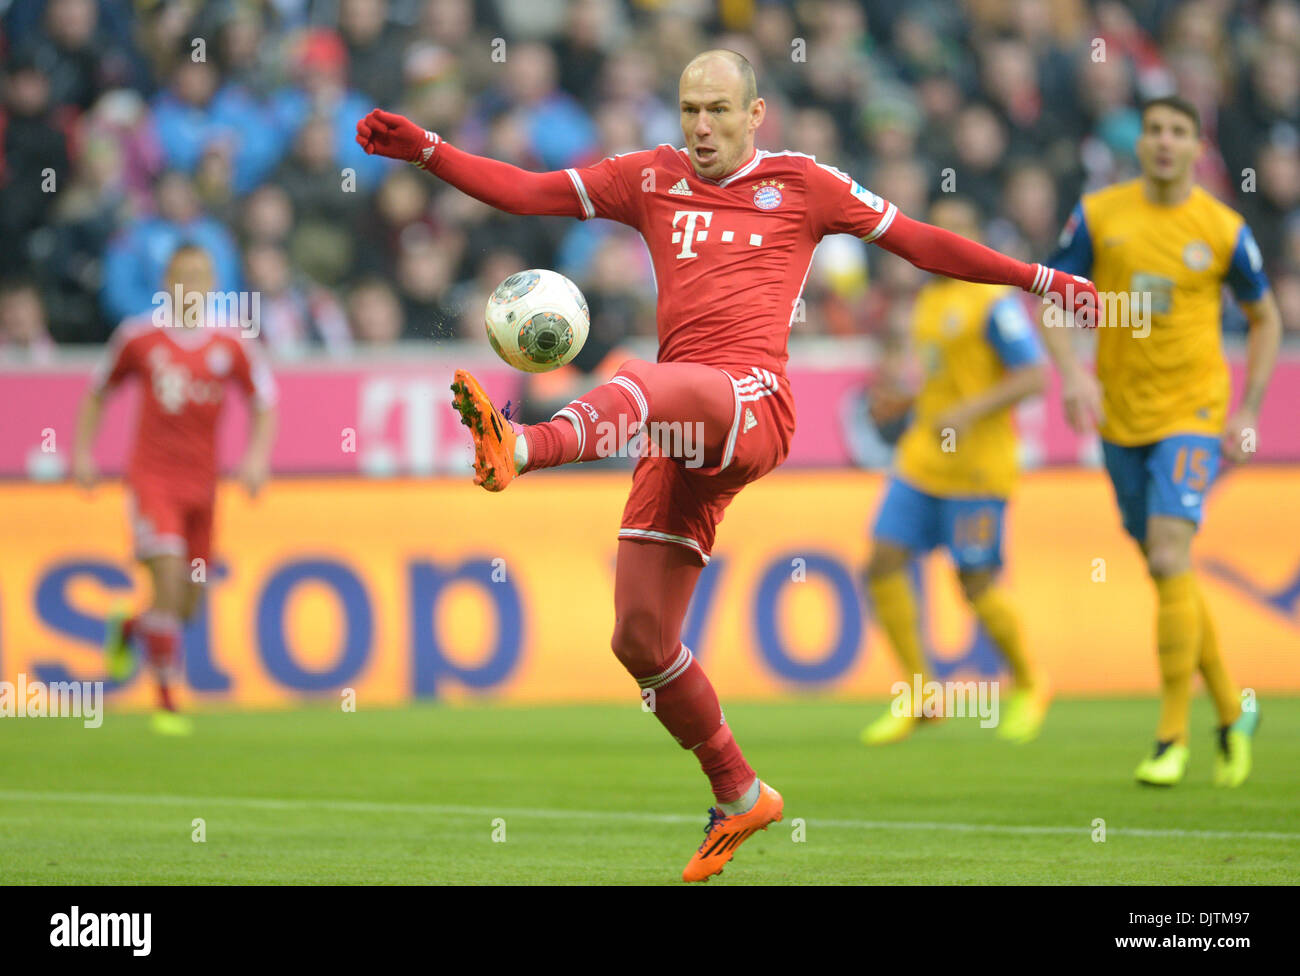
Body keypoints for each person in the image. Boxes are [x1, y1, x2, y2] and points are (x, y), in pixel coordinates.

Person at [357, 50, 1097, 881]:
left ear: (755, 115)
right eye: (688, 111)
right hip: (678, 425)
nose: (700, 127)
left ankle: (523, 445)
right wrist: (427, 148)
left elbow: (920, 243)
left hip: (752, 403)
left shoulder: (805, 184)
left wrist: (1040, 278)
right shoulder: (649, 177)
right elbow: (527, 190)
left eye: (717, 111)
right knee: (639, 637)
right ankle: (741, 793)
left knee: (634, 374)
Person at [1040, 96, 1282, 787]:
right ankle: (1235, 709)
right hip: (1120, 418)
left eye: (1179, 131)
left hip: (1193, 415)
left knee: (1172, 551)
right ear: (1140, 143)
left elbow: (1264, 318)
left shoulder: (1223, 228)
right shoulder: (1098, 216)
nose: (1165, 142)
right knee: (1166, 567)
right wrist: (1074, 376)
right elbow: (1053, 298)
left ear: (1196, 146)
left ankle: (1172, 737)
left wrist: (1251, 409)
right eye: (1154, 131)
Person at [861, 197, 1051, 746]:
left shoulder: (995, 303)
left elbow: (1034, 376)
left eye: (956, 233)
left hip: (977, 470)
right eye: (935, 233)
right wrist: (904, 401)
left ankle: (1032, 681)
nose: (942, 244)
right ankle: (922, 693)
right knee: (881, 562)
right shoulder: (927, 303)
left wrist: (967, 412)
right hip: (923, 460)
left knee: (975, 582)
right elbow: (944, 378)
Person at [73, 243, 278, 735]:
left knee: (187, 603)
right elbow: (99, 391)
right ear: (168, 281)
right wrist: (82, 452)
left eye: (201, 274)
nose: (192, 284)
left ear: (212, 282)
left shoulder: (232, 345)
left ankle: (129, 626)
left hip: (202, 488)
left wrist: (254, 459)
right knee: (166, 577)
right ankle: (166, 701)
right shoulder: (138, 338)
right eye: (183, 274)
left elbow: (264, 402)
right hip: (151, 480)